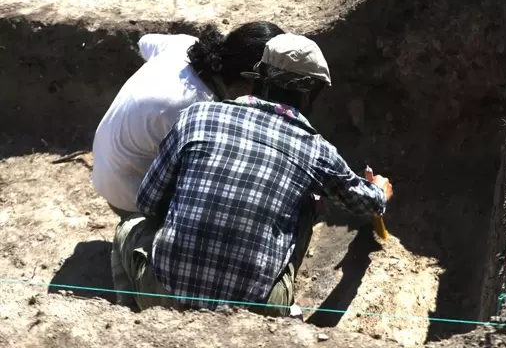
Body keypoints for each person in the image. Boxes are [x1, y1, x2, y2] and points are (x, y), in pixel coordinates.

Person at [111, 33, 394, 315]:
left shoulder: (196, 117)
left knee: (127, 228)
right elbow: (367, 202)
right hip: (255, 311)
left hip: (162, 295)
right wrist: (380, 189)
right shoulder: (315, 148)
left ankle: (136, 320)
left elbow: (148, 202)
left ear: (258, 77)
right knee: (309, 200)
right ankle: (283, 308)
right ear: (310, 95)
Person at [92, 22, 285, 219]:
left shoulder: (185, 45)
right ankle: (140, 234)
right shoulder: (200, 112)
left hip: (105, 167)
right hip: (128, 195)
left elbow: (144, 42)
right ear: (248, 81)